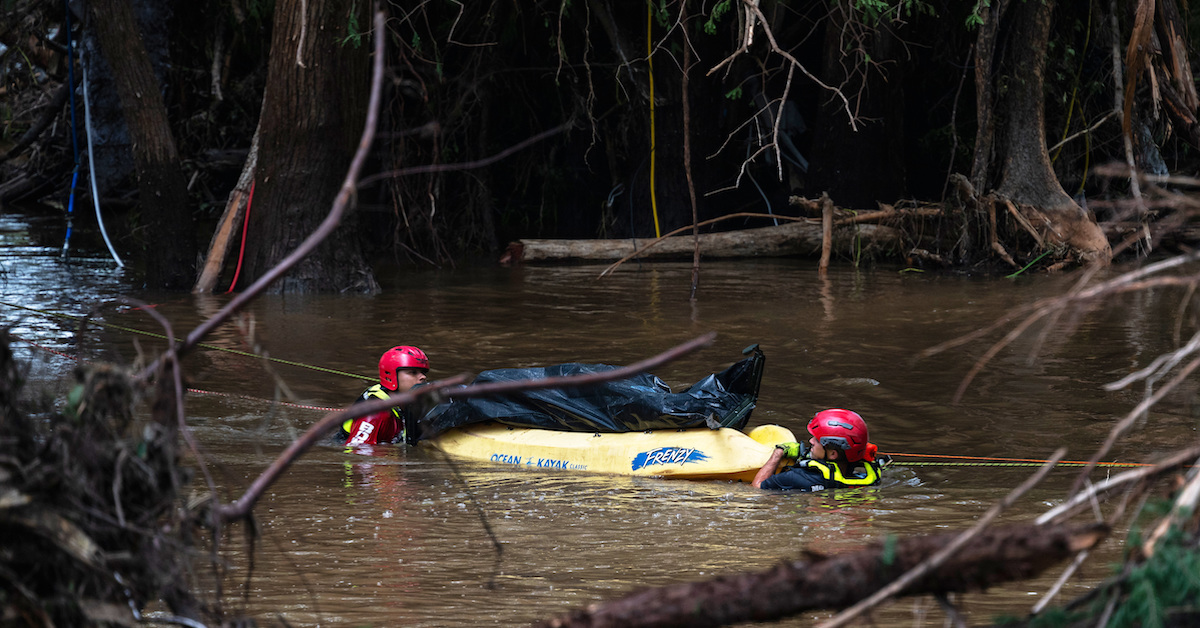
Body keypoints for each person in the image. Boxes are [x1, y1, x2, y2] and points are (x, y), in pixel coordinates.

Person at [752, 408, 884, 491]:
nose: (811, 441)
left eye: (817, 440)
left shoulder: (797, 477)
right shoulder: (869, 477)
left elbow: (757, 488)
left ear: (833, 454)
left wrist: (778, 453)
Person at [339, 346, 429, 446]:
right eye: (413, 372)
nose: (423, 377)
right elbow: (356, 453)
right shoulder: (375, 413)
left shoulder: (413, 403)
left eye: (423, 372)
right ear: (391, 376)